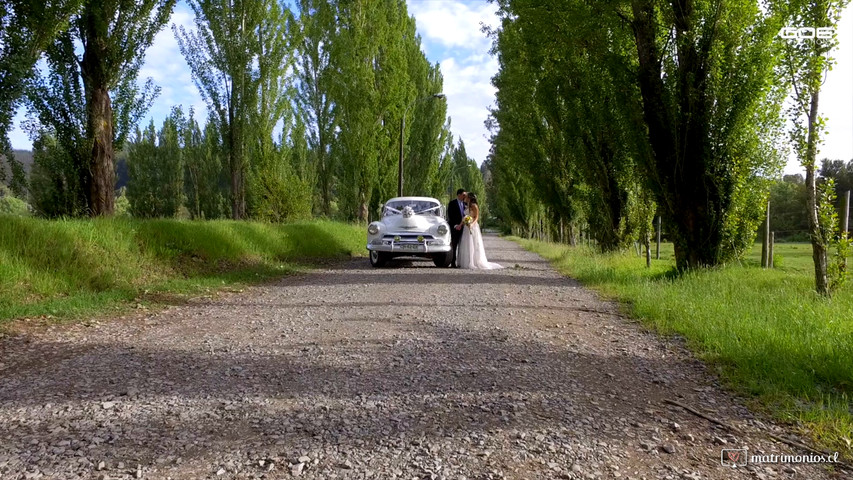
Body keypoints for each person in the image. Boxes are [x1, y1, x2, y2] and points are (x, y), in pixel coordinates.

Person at [457, 193, 503, 270]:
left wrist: (471, 224)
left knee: (473, 243)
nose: (465, 198)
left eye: (467, 197)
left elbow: (476, 217)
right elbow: (466, 216)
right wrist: (462, 223)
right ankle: (467, 261)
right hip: (466, 227)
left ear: (470, 198)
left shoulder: (474, 206)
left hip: (472, 226)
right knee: (466, 243)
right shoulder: (467, 205)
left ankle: (474, 261)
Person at [447, 188, 467, 268]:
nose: (464, 196)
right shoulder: (452, 203)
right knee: (454, 245)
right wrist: (455, 225)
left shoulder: (465, 204)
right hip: (455, 228)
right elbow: (450, 216)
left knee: (463, 246)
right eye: (463, 195)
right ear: (459, 195)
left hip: (464, 227)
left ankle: (461, 262)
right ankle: (453, 262)